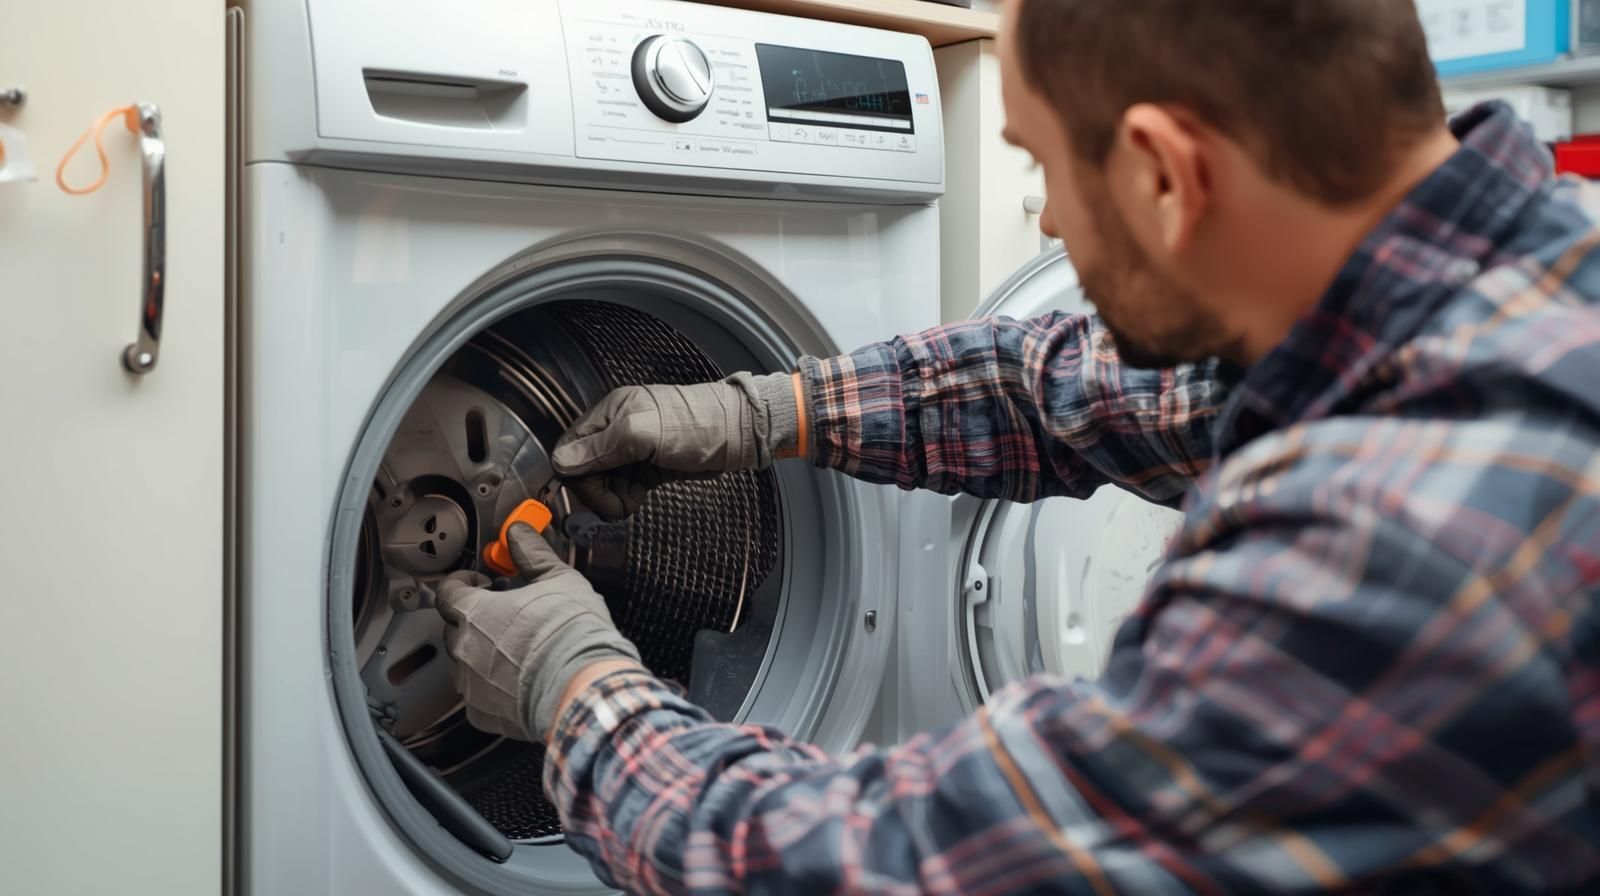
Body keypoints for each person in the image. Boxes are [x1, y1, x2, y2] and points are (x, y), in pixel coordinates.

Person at [433, 0, 1600, 891]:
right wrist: (759, 409)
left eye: (1044, 162)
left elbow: (895, 862)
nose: (1040, 214)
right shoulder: (1494, 301)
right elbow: (1062, 392)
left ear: (1161, 172)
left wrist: (576, 688)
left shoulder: (1392, 539)